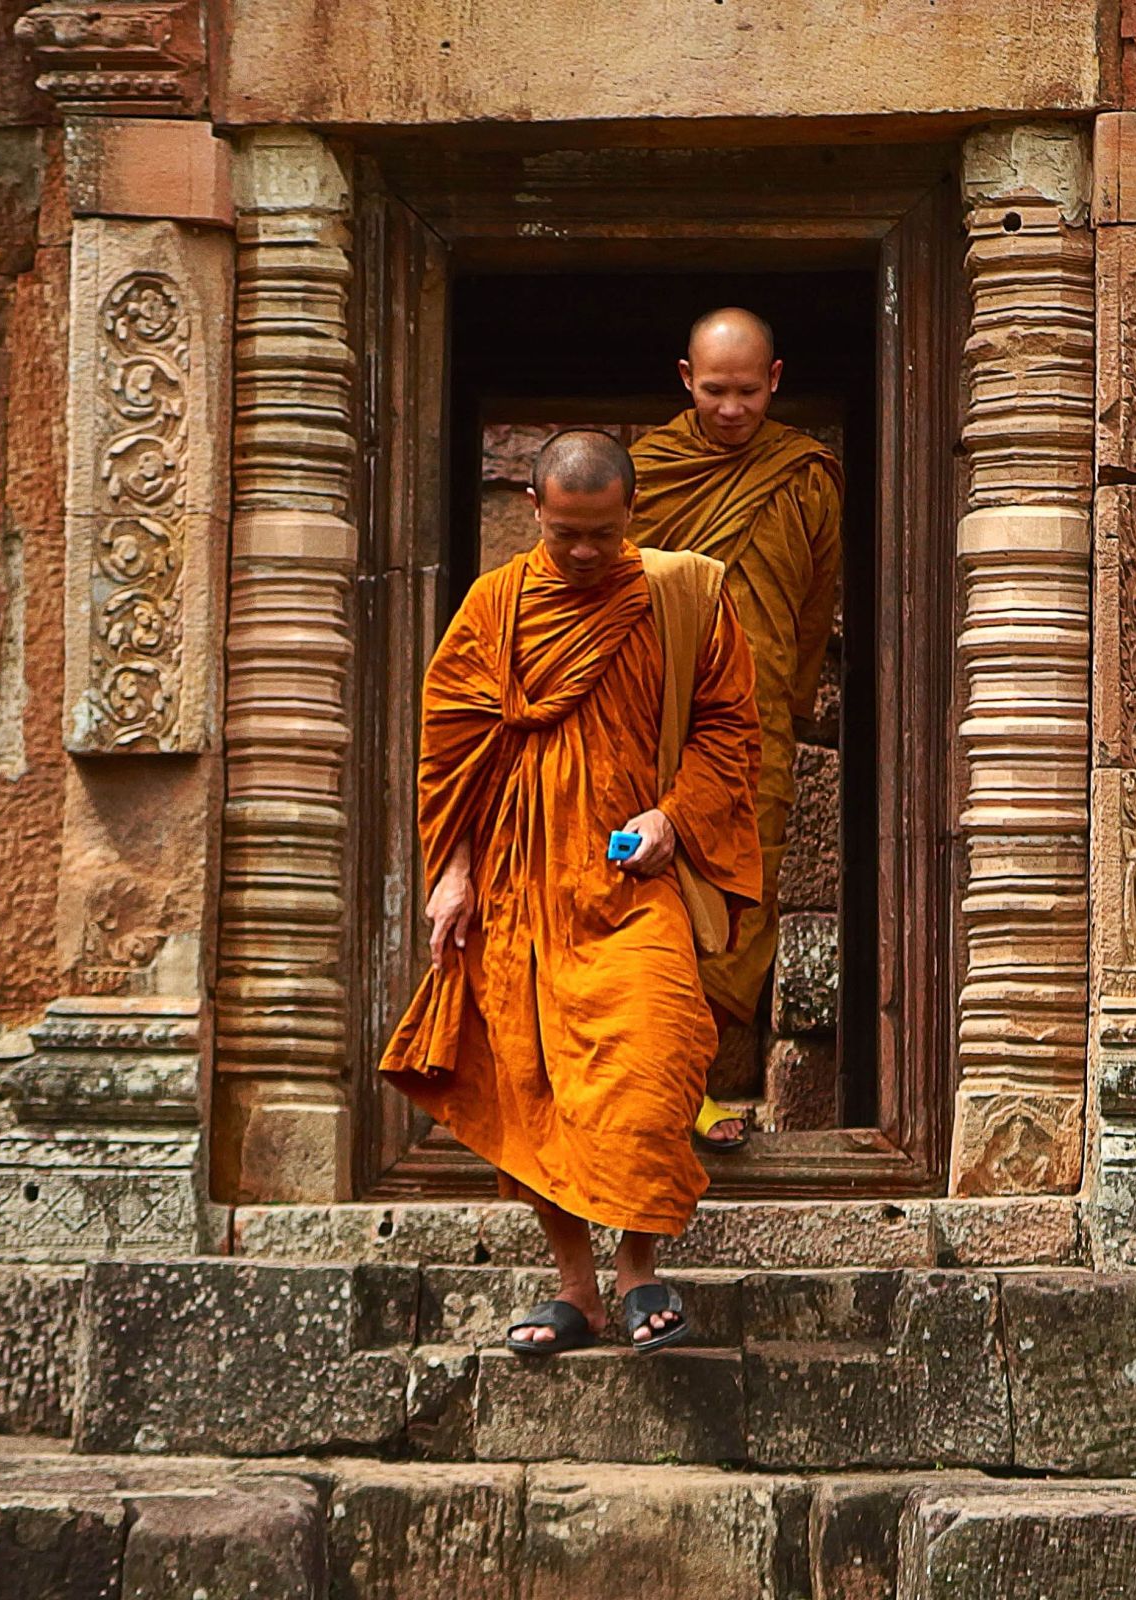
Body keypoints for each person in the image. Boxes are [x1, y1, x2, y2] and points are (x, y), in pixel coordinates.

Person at [381, 429, 763, 1356]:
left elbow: (731, 730)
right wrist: (455, 874)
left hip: (635, 883)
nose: (584, 553)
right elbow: (452, 753)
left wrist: (676, 816)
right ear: (533, 514)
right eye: (565, 536)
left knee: (654, 1059)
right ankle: (577, 1291)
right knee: (538, 1086)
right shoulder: (496, 608)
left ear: (630, 513)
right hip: (519, 887)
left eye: (600, 532)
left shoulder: (686, 595)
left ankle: (639, 1270)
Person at [630, 308, 844, 1147]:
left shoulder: (805, 478)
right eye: (714, 391)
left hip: (754, 738)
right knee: (649, 905)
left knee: (739, 910)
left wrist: (784, 711)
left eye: (748, 392)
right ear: (686, 380)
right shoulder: (645, 473)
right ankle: (645, 1096)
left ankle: (704, 1092)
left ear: (776, 381)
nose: (730, 409)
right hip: (654, 735)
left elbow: (812, 607)